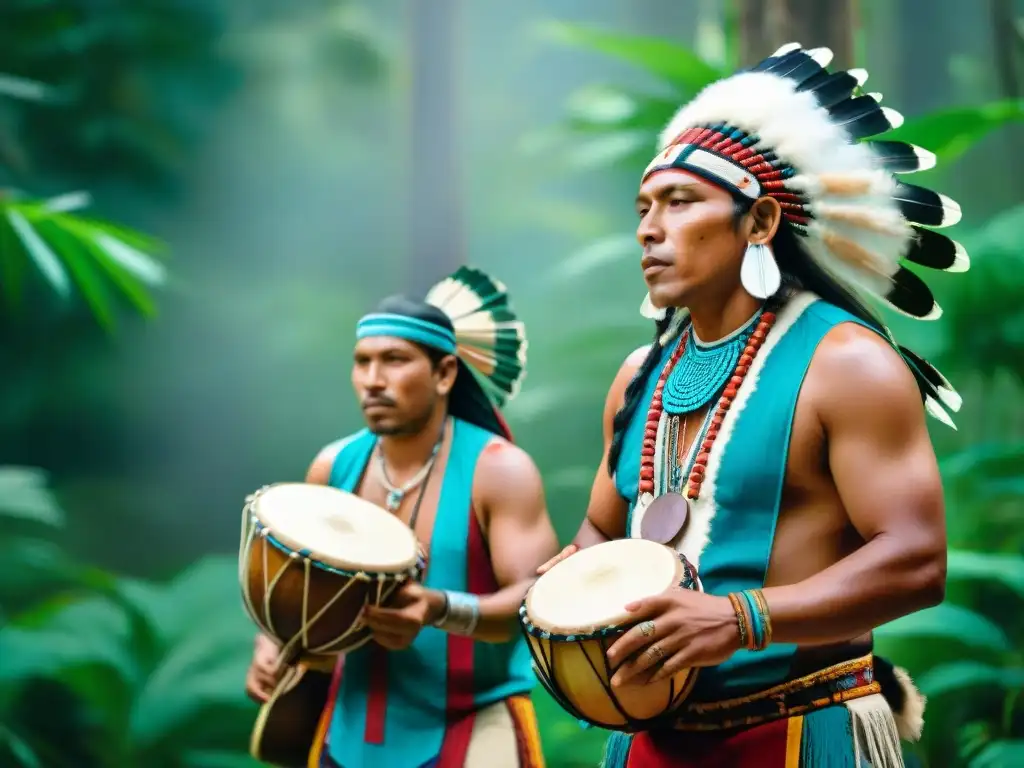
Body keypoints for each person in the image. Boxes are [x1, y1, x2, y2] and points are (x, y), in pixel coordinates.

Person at [538, 43, 966, 767]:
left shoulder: (847, 365)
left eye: (679, 202)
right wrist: (562, 582)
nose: (649, 227)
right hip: (650, 743)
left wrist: (741, 620)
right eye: (643, 207)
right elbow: (598, 532)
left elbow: (916, 561)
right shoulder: (640, 376)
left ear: (761, 221)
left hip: (802, 731)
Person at [246, 266, 559, 768]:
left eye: (394, 361)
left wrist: (437, 608)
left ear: (444, 374)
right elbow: (296, 581)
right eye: (362, 361)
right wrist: (271, 639)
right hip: (347, 727)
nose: (373, 380)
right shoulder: (333, 466)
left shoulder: (499, 470)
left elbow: (535, 601)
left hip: (473, 723)